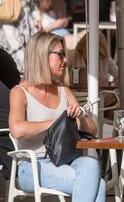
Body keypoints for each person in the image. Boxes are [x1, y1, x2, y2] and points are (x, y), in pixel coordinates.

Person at [8, 31, 105, 201]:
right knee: (97, 184)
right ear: (42, 56)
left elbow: (93, 130)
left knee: (92, 165)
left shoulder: (63, 91)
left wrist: (80, 116)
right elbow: (17, 129)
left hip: (65, 160)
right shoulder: (19, 92)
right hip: (32, 165)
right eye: (60, 54)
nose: (65, 60)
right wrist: (55, 123)